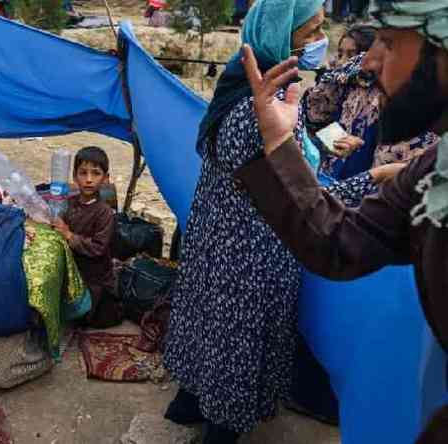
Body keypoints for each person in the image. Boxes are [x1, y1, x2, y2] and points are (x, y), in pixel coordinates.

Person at [161, 1, 404, 443]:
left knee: (207, 327)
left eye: (318, 30)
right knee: (237, 347)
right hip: (252, 254)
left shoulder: (239, 86)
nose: (318, 42)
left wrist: (310, 145)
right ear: (277, 36)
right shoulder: (261, 108)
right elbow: (302, 199)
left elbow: (271, 162)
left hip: (214, 237)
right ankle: (221, 431)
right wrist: (376, 178)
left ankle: (188, 404)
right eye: (307, 33)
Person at [236, 0, 448, 441]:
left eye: (388, 43)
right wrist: (278, 142)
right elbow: (339, 241)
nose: (369, 62)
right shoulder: (433, 170)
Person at [306, 29, 439, 180]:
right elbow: (314, 116)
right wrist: (336, 139)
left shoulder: (428, 116)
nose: (366, 61)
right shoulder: (354, 76)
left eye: (389, 45)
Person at [52, 146, 120, 328]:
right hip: (73, 273)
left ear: (105, 178)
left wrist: (68, 235)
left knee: (88, 319)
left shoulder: (105, 213)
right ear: (74, 177)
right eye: (83, 173)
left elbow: (98, 248)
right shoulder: (69, 204)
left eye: (96, 173)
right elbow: (58, 228)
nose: (89, 180)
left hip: (95, 280)